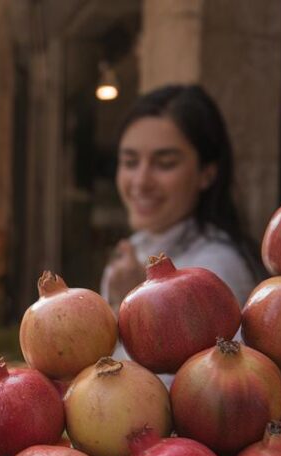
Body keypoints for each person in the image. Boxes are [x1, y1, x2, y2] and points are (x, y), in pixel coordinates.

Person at [101, 84, 261, 313]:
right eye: (130, 163)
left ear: (207, 173)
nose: (141, 182)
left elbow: (220, 350)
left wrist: (138, 298)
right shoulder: (132, 253)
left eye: (165, 164)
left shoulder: (217, 269)